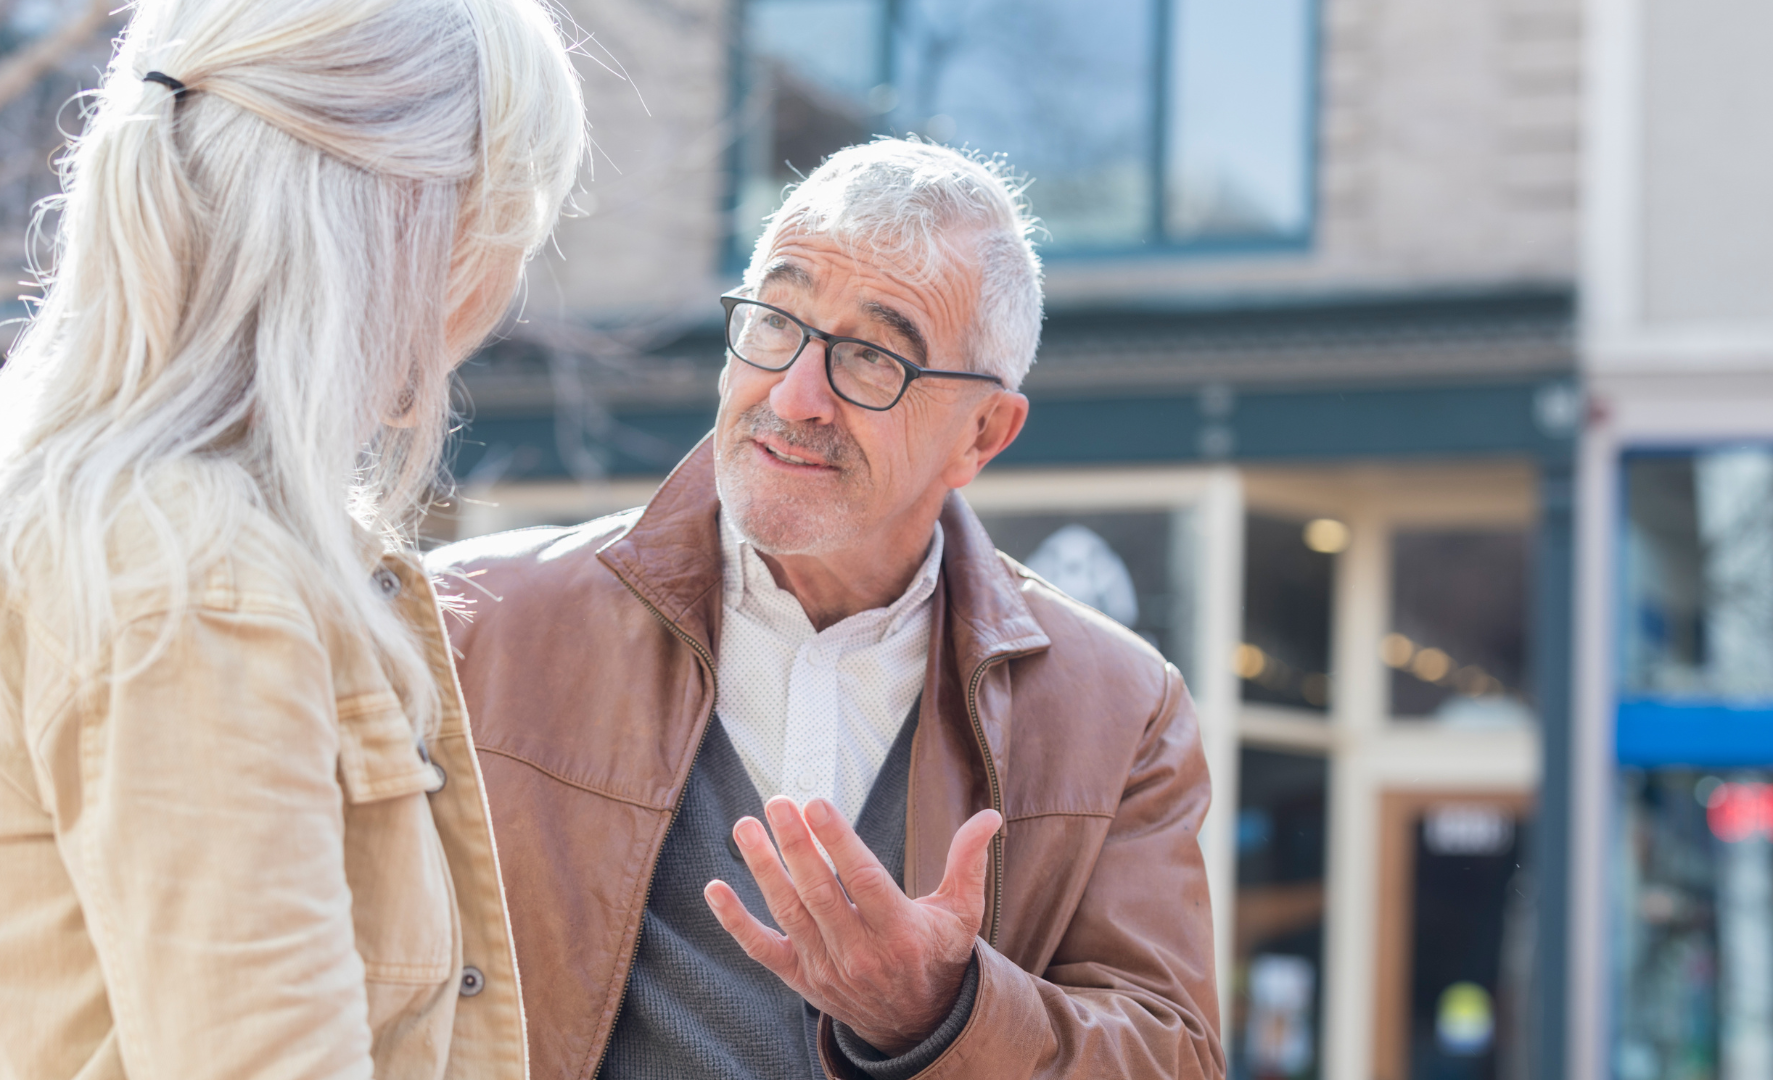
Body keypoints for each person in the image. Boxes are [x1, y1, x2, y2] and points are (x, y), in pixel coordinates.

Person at [432, 138, 1226, 1079]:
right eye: (776, 320)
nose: (797, 394)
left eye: (873, 356)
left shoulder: (1121, 710)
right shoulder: (468, 623)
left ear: (983, 433)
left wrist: (947, 1013)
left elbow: (1171, 1055)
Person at [0, 0, 582, 1074]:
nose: (504, 287)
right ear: (414, 220)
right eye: (514, 215)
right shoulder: (197, 578)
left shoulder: (71, 517)